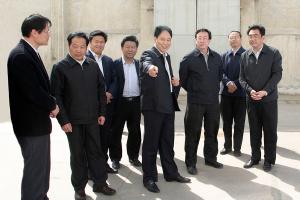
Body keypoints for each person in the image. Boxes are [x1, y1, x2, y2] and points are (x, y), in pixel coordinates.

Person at [51, 32, 116, 200]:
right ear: (68, 46)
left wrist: (102, 113)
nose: (79, 50)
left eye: (82, 46)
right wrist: (63, 120)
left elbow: (101, 91)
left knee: (96, 152)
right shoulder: (60, 67)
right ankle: (79, 189)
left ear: (86, 47)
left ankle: (100, 183)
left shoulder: (92, 65)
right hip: (73, 122)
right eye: (75, 46)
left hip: (93, 119)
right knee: (78, 155)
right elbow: (56, 97)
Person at [7, 14, 59, 200]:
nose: (49, 34)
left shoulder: (30, 52)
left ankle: (41, 196)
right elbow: (32, 90)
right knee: (35, 170)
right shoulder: (21, 55)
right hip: (30, 125)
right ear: (34, 32)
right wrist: (52, 104)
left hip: (37, 123)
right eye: (46, 31)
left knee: (41, 167)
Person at [140, 25, 191, 193]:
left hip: (167, 106)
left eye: (168, 40)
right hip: (153, 107)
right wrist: (150, 69)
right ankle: (149, 178)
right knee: (151, 144)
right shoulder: (149, 54)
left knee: (167, 142)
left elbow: (165, 82)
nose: (165, 42)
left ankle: (170, 173)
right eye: (162, 39)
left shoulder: (166, 56)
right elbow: (146, 65)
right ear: (155, 39)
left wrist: (174, 83)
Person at [179, 28, 223, 175]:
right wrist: (195, 89)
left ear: (209, 40)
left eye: (205, 37)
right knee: (192, 133)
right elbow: (183, 80)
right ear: (195, 40)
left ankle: (211, 158)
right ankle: (190, 163)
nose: (202, 40)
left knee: (212, 131)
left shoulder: (217, 57)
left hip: (212, 102)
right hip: (195, 102)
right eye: (199, 37)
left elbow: (219, 76)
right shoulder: (188, 58)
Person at [240, 25, 282, 172]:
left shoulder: (273, 53)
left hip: (268, 100)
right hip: (251, 100)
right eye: (250, 36)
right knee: (254, 130)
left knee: (270, 130)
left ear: (263, 37)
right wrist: (250, 90)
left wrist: (265, 91)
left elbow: (277, 74)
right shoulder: (245, 55)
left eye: (255, 35)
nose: (252, 39)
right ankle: (255, 157)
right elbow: (241, 78)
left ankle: (269, 160)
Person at [86, 30, 117, 173]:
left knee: (105, 137)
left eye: (102, 42)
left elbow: (115, 80)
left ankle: (103, 164)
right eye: (96, 41)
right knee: (91, 139)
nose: (99, 44)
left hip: (107, 106)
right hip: (90, 107)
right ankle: (91, 168)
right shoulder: (83, 59)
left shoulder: (108, 61)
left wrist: (109, 92)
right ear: (90, 42)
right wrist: (100, 95)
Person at [110, 35, 142, 169]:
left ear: (136, 49)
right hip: (119, 103)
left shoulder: (140, 65)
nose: (130, 49)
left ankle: (133, 157)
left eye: (133, 47)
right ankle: (115, 158)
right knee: (116, 131)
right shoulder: (115, 64)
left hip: (135, 102)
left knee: (135, 132)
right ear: (122, 48)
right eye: (127, 47)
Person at [220, 31, 246, 157]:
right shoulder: (224, 55)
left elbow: (246, 74)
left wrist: (236, 84)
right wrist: (228, 83)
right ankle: (227, 146)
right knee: (226, 123)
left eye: (236, 37)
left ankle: (237, 148)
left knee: (239, 123)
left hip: (241, 94)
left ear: (241, 39)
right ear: (228, 40)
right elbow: (221, 72)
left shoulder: (246, 55)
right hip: (225, 94)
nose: (233, 40)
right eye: (231, 38)